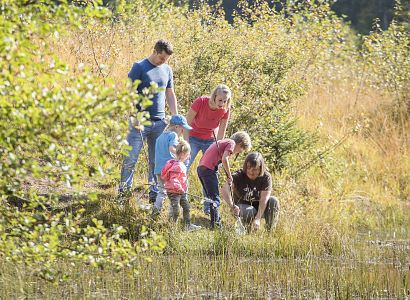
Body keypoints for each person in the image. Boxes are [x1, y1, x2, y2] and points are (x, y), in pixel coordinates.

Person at [118, 39, 177, 203]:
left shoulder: (167, 69)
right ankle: (124, 193)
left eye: (166, 59)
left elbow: (170, 93)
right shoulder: (139, 67)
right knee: (130, 159)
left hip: (160, 123)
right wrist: (134, 115)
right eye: (162, 58)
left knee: (156, 161)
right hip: (139, 122)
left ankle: (154, 193)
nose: (163, 62)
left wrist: (175, 116)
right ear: (155, 52)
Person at [184, 84, 232, 213]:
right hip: (193, 137)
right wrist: (186, 144)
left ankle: (209, 208)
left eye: (225, 100)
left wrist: (218, 151)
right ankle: (183, 202)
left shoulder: (225, 110)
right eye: (220, 100)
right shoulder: (201, 102)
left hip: (210, 140)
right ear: (214, 96)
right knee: (184, 167)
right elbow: (187, 123)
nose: (222, 103)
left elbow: (221, 132)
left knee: (209, 173)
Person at [197, 131, 252, 229]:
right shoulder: (231, 143)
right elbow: (224, 159)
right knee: (215, 199)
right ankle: (216, 225)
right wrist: (229, 175)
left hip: (201, 169)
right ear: (239, 144)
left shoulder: (222, 142)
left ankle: (214, 221)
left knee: (210, 198)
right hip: (208, 170)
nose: (236, 153)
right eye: (239, 151)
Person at [221, 152, 280, 232]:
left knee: (274, 201)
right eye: (249, 168)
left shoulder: (266, 177)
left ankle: (270, 231)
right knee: (251, 210)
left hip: (259, 207)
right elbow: (225, 189)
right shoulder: (239, 175)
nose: (251, 172)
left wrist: (258, 218)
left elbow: (264, 198)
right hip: (242, 208)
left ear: (260, 168)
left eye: (255, 169)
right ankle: (247, 229)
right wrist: (232, 206)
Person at [152, 115, 192, 216]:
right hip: (169, 170)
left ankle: (155, 213)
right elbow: (171, 148)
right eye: (182, 129)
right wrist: (180, 157)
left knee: (161, 192)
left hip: (158, 169)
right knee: (173, 192)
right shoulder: (173, 135)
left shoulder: (160, 136)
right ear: (177, 127)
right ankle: (172, 217)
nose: (182, 132)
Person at [160, 140, 201, 231]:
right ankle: (171, 228)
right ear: (183, 154)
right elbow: (174, 180)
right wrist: (180, 188)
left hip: (180, 192)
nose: (189, 156)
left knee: (186, 207)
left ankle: (187, 225)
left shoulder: (177, 163)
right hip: (174, 192)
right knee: (176, 211)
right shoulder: (178, 166)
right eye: (188, 154)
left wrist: (181, 189)